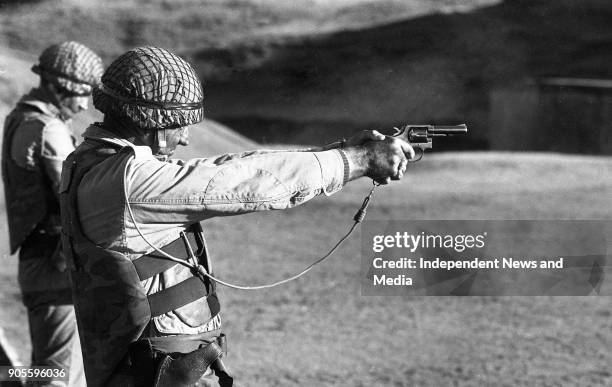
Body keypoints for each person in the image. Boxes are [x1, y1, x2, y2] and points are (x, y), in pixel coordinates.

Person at [59, 46, 413, 387]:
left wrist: (337, 152)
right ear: (149, 120)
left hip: (156, 367)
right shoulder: (129, 183)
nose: (183, 139)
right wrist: (357, 161)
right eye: (178, 124)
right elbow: (246, 182)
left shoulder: (96, 162)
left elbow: (230, 166)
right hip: (158, 371)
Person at [2, 41, 103, 386]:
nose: (83, 105)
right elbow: (81, 192)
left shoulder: (22, 118)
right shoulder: (47, 129)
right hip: (55, 265)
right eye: (82, 95)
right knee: (57, 376)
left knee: (55, 369)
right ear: (64, 88)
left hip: (42, 262)